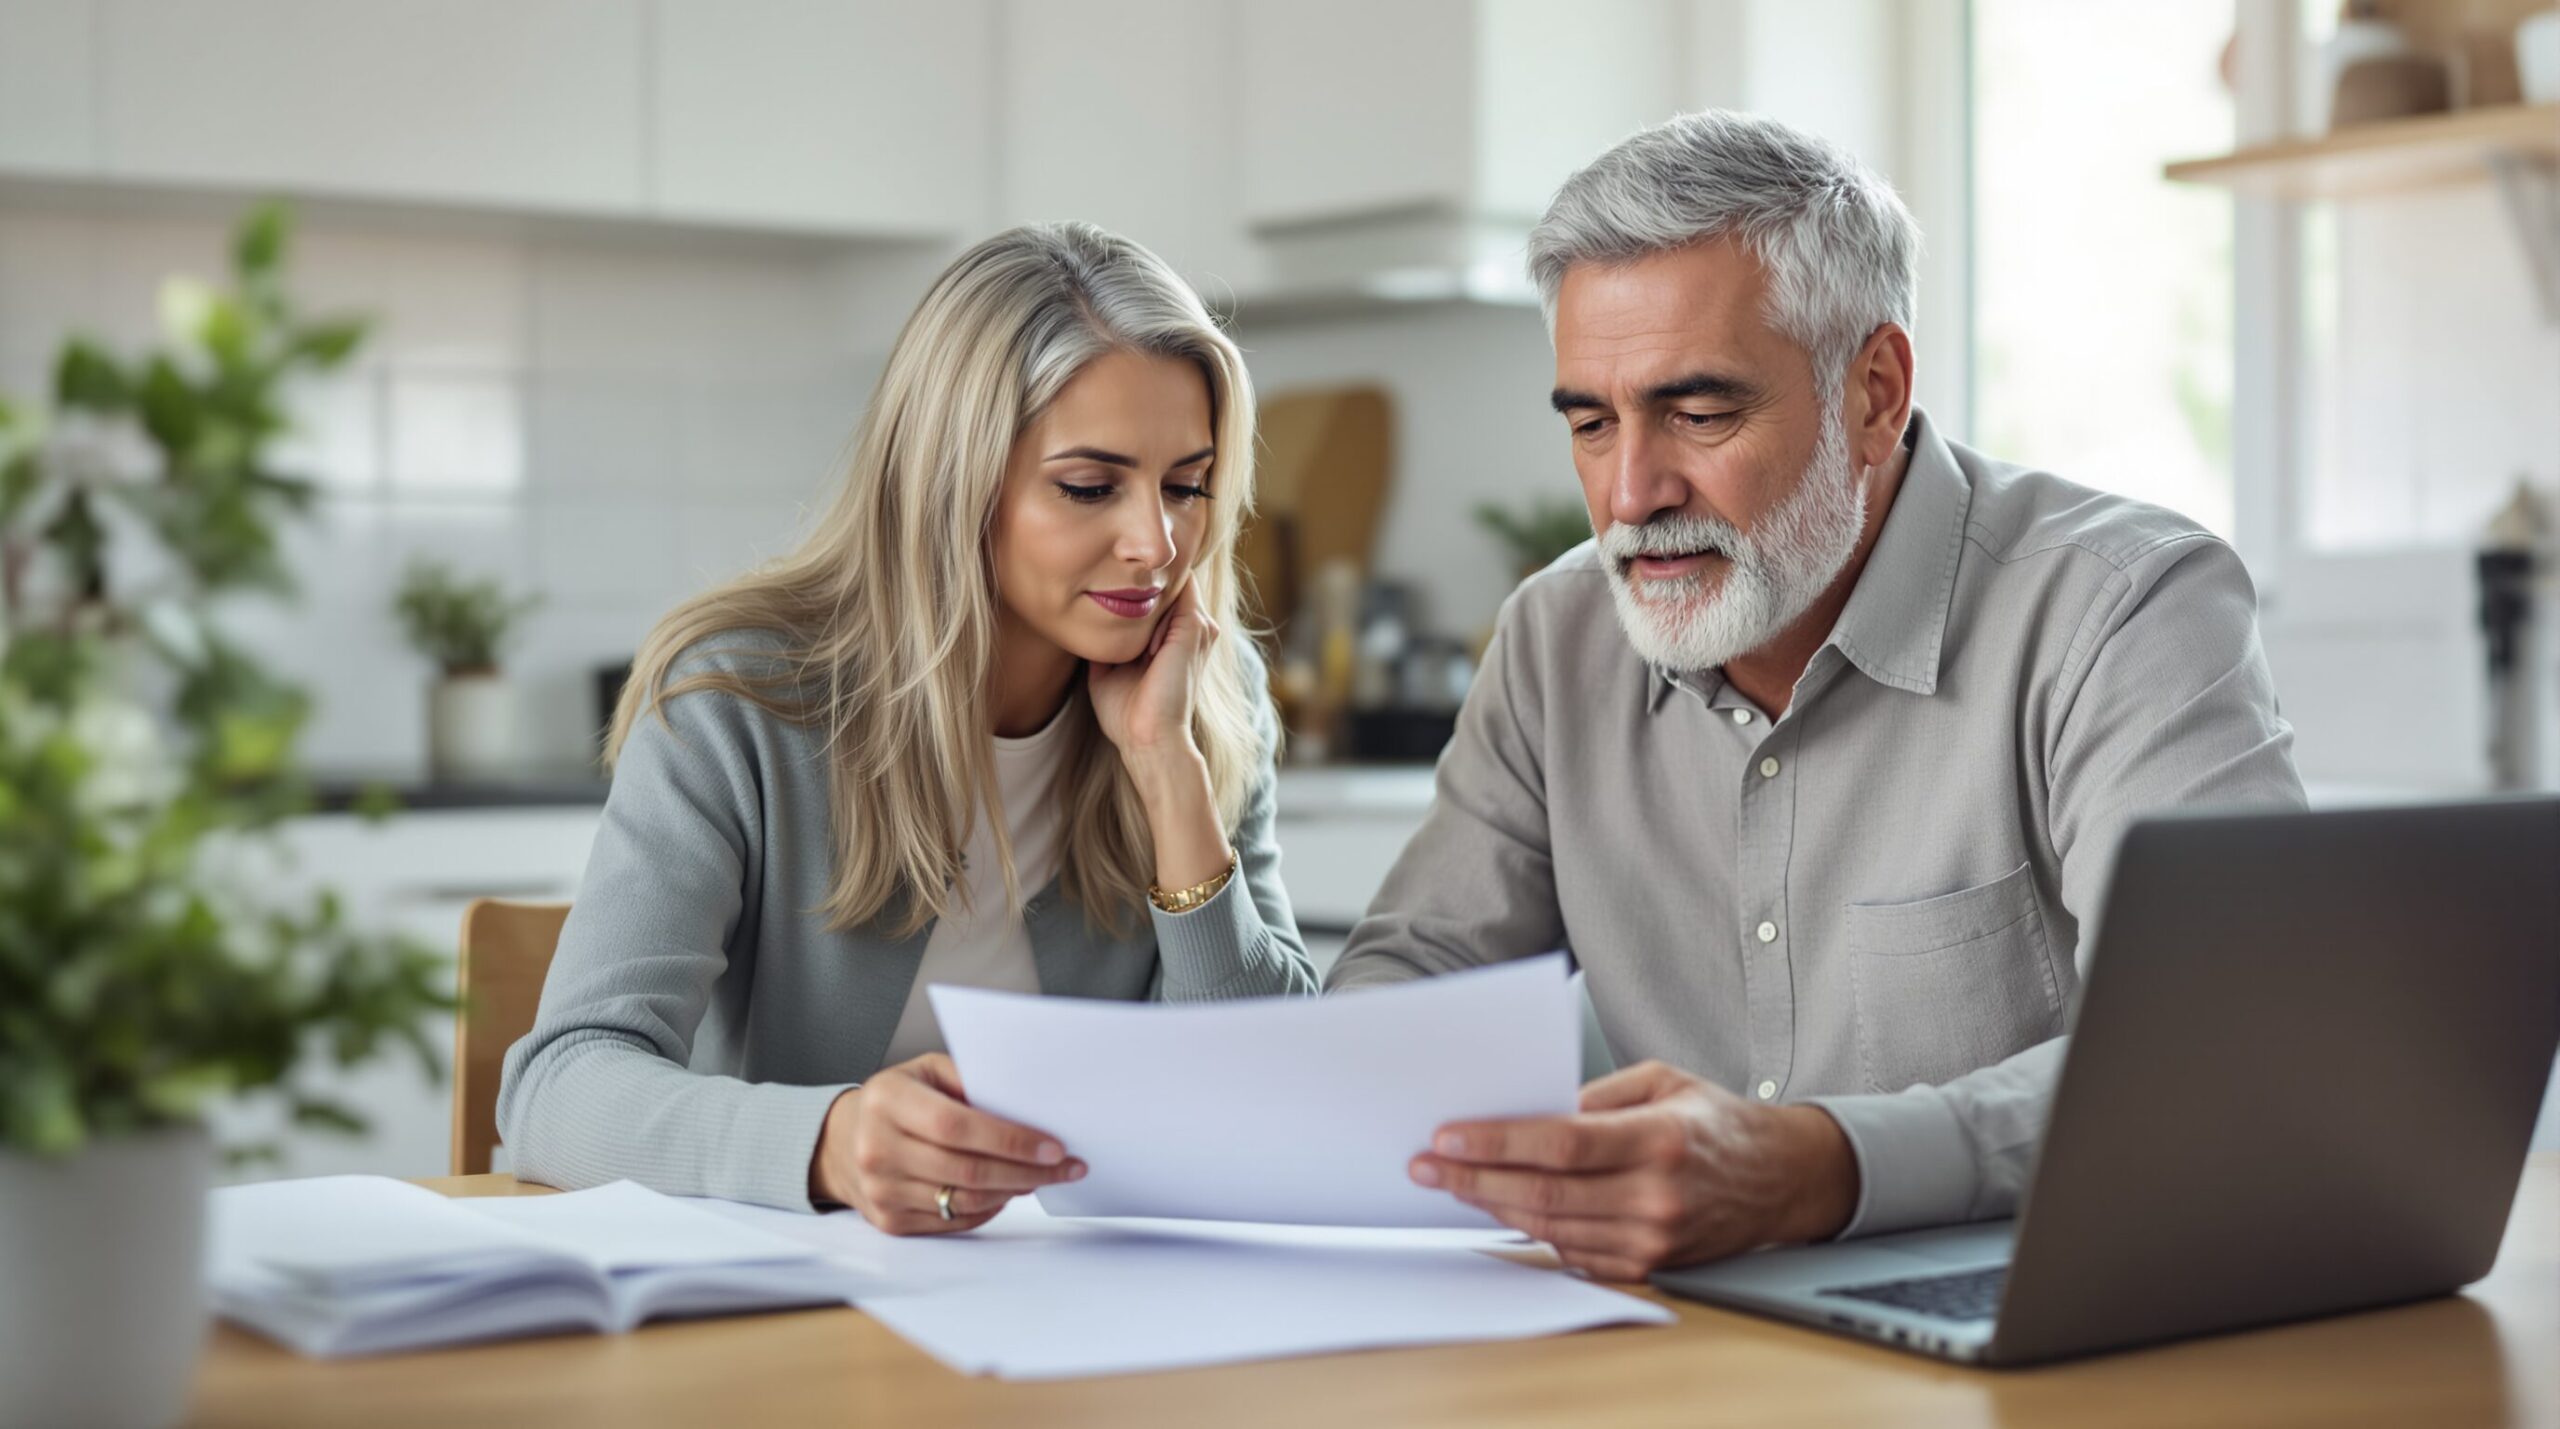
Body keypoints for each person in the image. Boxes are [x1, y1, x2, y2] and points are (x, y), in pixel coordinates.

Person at [1330, 111, 2303, 1281]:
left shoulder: (2121, 608)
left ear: (1874, 391)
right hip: (1682, 1340)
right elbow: (1404, 993)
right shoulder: (1556, 635)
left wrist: (1815, 1165)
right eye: (1591, 423)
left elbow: (2220, 1039)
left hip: (2053, 1320)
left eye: (1699, 413)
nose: (1631, 493)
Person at [500, 223, 1315, 1233]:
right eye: (1089, 486)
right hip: (779, 1328)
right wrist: (831, 1142)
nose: (1156, 542)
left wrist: (1168, 775)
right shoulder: (740, 701)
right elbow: (557, 1089)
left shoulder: (1205, 695)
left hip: (1078, 1323)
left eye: (1186, 485)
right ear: (954, 483)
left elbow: (1271, 1106)